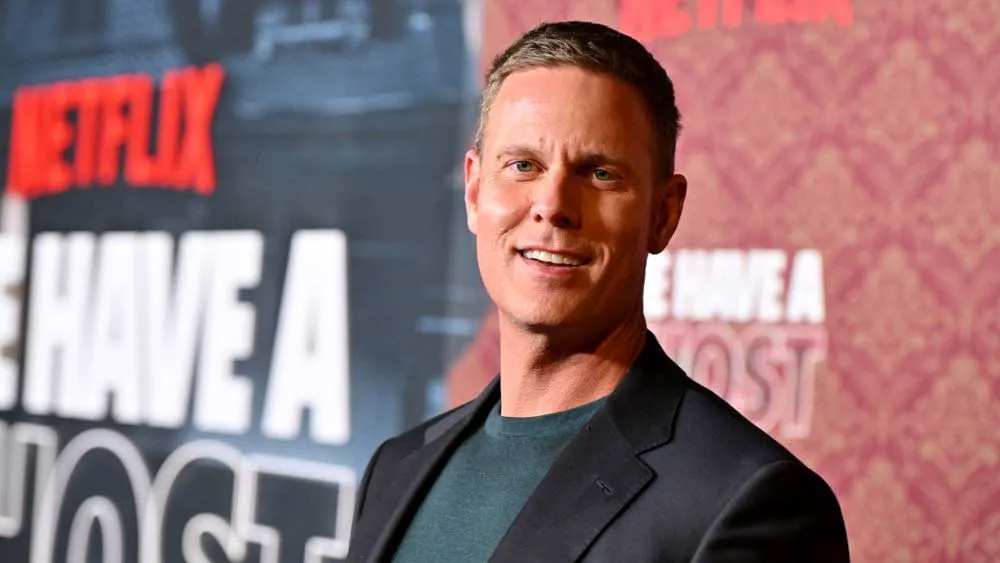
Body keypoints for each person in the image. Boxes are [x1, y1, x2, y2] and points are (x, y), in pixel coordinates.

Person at [347, 20, 850, 563]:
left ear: (663, 215)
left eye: (600, 174)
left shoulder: (748, 501)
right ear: (474, 190)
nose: (553, 205)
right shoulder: (396, 468)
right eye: (523, 165)